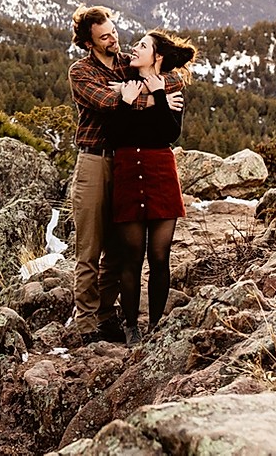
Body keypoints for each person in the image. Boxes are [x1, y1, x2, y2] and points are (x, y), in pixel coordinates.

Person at [66, 6, 183, 343]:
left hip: (125, 163)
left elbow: (170, 77)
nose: (114, 39)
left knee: (118, 251)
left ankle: (107, 317)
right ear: (89, 42)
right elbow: (105, 102)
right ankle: (86, 324)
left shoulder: (122, 64)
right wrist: (152, 101)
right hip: (94, 161)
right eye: (105, 37)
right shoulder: (81, 71)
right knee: (90, 248)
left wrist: (153, 90)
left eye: (114, 32)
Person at [107, 29, 197, 345]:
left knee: (160, 256)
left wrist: (156, 96)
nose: (135, 49)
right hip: (129, 173)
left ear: (157, 57)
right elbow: (116, 135)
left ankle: (156, 326)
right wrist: (126, 102)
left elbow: (168, 134)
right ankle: (131, 326)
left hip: (160, 174)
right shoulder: (126, 89)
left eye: (142, 46)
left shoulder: (170, 89)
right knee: (131, 255)